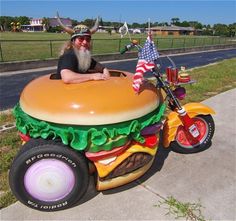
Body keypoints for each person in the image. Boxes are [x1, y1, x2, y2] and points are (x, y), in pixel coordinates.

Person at [56, 14, 110, 84]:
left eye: (87, 39)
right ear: (73, 41)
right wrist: (93, 76)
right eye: (81, 39)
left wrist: (105, 74)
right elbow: (67, 78)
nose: (85, 42)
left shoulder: (83, 57)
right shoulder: (69, 55)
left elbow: (103, 69)